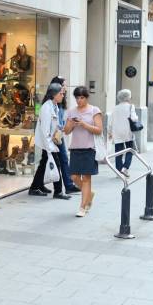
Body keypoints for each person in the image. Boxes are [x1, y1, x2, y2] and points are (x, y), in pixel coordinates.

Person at [63, 86, 103, 218]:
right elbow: (67, 131)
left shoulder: (94, 110)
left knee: (86, 178)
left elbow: (99, 130)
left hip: (89, 148)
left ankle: (83, 207)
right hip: (75, 148)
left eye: (82, 98)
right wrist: (72, 124)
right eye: (77, 98)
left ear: (86, 98)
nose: (79, 100)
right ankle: (89, 194)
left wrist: (84, 124)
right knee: (74, 177)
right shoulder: (71, 111)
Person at [29, 83, 70, 199]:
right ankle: (58, 191)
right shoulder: (46, 108)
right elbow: (45, 130)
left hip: (51, 141)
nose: (63, 95)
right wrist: (49, 147)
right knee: (57, 164)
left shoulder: (54, 106)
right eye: (61, 93)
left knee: (43, 164)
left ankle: (35, 187)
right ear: (54, 94)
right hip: (48, 142)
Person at [50, 76, 80, 194]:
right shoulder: (53, 101)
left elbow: (61, 118)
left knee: (49, 161)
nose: (66, 87)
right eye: (64, 85)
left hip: (59, 134)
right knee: (63, 158)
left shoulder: (61, 99)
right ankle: (67, 185)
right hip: (55, 135)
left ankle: (36, 185)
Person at [108, 89, 138, 177]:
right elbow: (134, 118)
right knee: (130, 150)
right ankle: (125, 168)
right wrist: (137, 117)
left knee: (118, 152)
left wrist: (110, 132)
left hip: (117, 132)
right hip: (127, 131)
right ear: (128, 97)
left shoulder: (115, 108)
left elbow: (110, 121)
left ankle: (118, 171)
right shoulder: (130, 106)